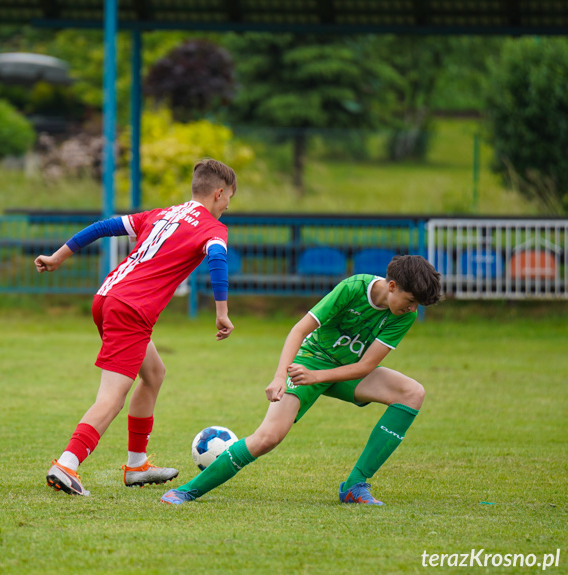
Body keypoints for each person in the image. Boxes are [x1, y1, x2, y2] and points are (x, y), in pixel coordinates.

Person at [161, 255, 442, 506]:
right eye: (410, 301)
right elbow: (299, 330)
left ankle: (355, 486)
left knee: (412, 393)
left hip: (346, 370)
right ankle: (187, 492)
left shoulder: (404, 314)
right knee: (268, 437)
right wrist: (279, 376)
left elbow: (365, 365)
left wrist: (318, 377)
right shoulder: (353, 288)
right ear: (392, 286)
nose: (411, 309)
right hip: (310, 362)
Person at [35, 158, 237, 497]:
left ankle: (137, 465)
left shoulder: (160, 214)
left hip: (107, 297)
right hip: (131, 309)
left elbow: (102, 227)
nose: (228, 206)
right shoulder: (212, 228)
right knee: (112, 397)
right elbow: (217, 259)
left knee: (154, 373)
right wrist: (222, 312)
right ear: (219, 193)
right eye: (229, 198)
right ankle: (67, 464)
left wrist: (57, 257)